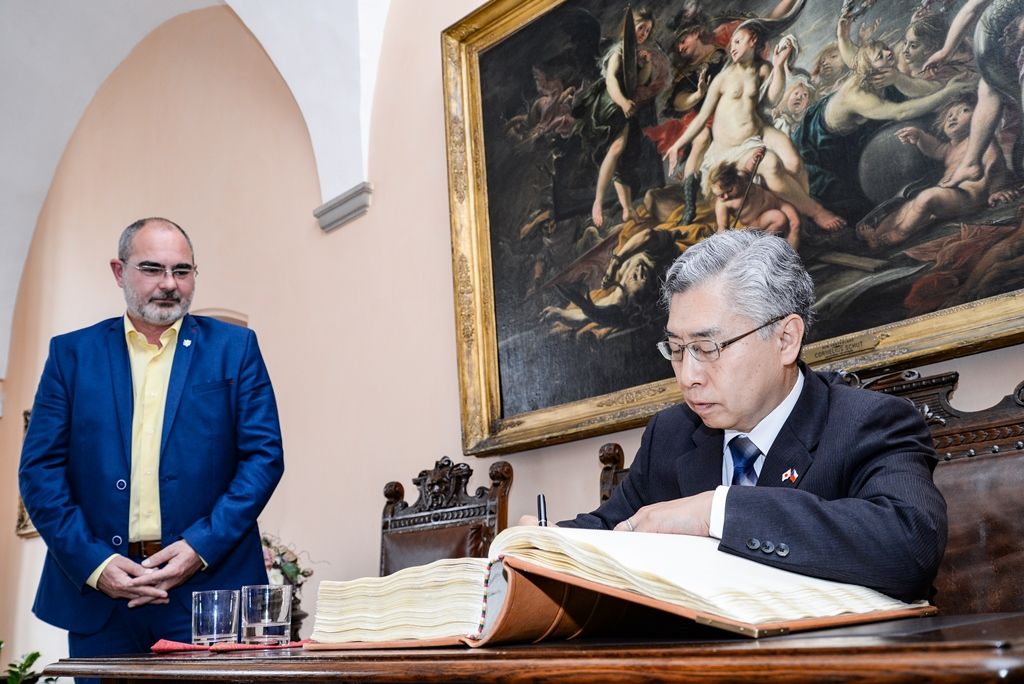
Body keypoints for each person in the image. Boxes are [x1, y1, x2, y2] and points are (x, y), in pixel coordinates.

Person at [540, 230, 947, 602]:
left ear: (786, 339)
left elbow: (911, 546)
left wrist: (715, 512)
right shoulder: (671, 433)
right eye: (677, 350)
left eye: (708, 348)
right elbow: (612, 531)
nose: (688, 376)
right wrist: (543, 543)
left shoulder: (868, 423)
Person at [19, 218, 285, 667]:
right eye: (152, 269)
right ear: (119, 272)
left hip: (208, 596)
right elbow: (40, 471)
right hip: (101, 601)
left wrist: (199, 547)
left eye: (182, 271)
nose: (169, 284)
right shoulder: (71, 355)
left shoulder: (235, 348)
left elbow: (264, 458)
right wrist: (96, 564)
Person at [857, 94, 1013, 248]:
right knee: (905, 209)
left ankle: (900, 232)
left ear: (980, 116)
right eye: (949, 115)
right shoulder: (951, 148)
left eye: (964, 111)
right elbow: (935, 148)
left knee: (927, 197)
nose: (953, 117)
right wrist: (920, 136)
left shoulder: (983, 141)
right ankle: (877, 235)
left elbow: (995, 163)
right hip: (947, 195)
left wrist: (997, 189)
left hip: (968, 198)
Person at [708, 157, 800, 248]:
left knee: (795, 223)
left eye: (729, 191)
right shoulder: (723, 204)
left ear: (736, 180)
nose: (725, 197)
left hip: (778, 203)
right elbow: (722, 227)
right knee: (779, 218)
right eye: (720, 195)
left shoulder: (743, 179)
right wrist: (721, 242)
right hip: (760, 220)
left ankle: (793, 250)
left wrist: (754, 159)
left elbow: (749, 168)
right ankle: (761, 245)